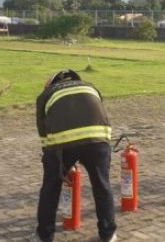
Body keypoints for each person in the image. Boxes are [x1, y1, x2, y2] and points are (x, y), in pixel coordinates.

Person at [33, 70, 117, 242]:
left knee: (50, 188)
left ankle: (44, 236)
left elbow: (44, 132)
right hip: (98, 138)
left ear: (50, 83)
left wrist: (57, 166)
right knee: (102, 185)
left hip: (62, 144)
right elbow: (101, 113)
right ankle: (108, 234)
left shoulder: (46, 94)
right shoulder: (90, 87)